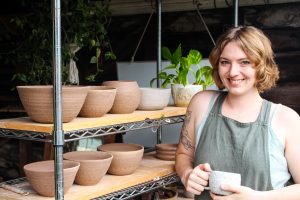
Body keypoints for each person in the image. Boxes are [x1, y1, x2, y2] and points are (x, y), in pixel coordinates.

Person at [175, 25, 300, 200]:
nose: (233, 72)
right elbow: (183, 155)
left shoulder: (286, 119)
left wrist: (257, 197)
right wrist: (187, 174)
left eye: (245, 62)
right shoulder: (201, 104)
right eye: (225, 62)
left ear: (261, 66)